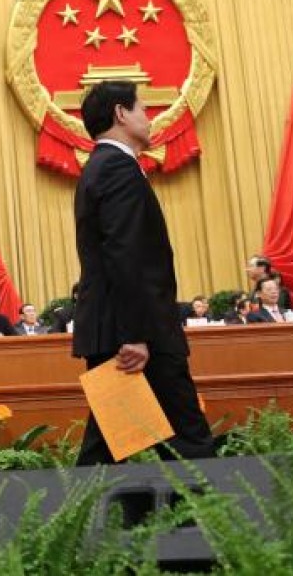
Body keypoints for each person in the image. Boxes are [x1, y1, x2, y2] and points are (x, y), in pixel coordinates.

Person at [72, 80, 213, 465]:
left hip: (123, 331)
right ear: (121, 113)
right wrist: (135, 335)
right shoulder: (118, 168)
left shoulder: (101, 166)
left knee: (108, 450)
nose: (148, 119)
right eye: (142, 109)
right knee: (190, 442)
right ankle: (215, 523)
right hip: (136, 337)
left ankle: (80, 522)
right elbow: (126, 254)